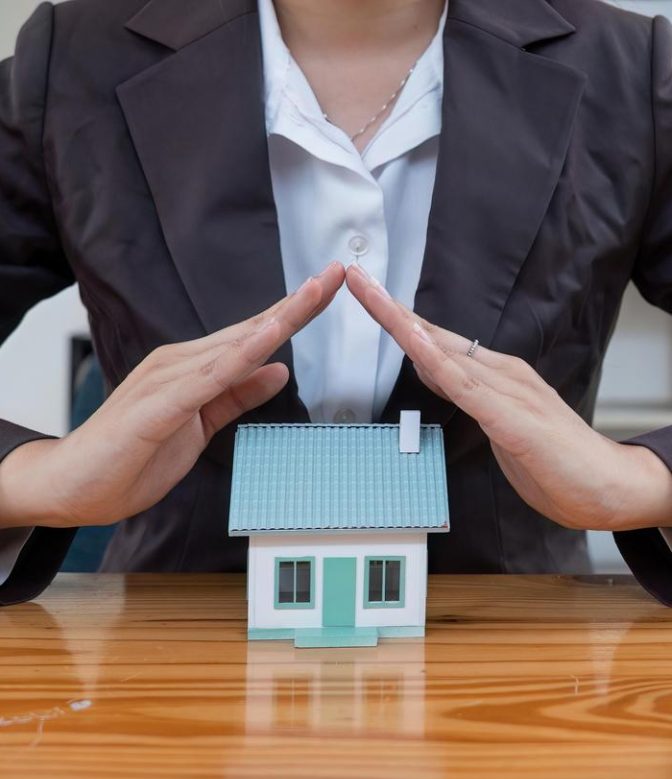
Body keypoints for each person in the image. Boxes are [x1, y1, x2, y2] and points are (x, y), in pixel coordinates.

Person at [1, 0, 672, 606]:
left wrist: (646, 479)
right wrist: (29, 478)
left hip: (525, 659)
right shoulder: (70, 63)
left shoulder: (631, 70)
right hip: (169, 661)